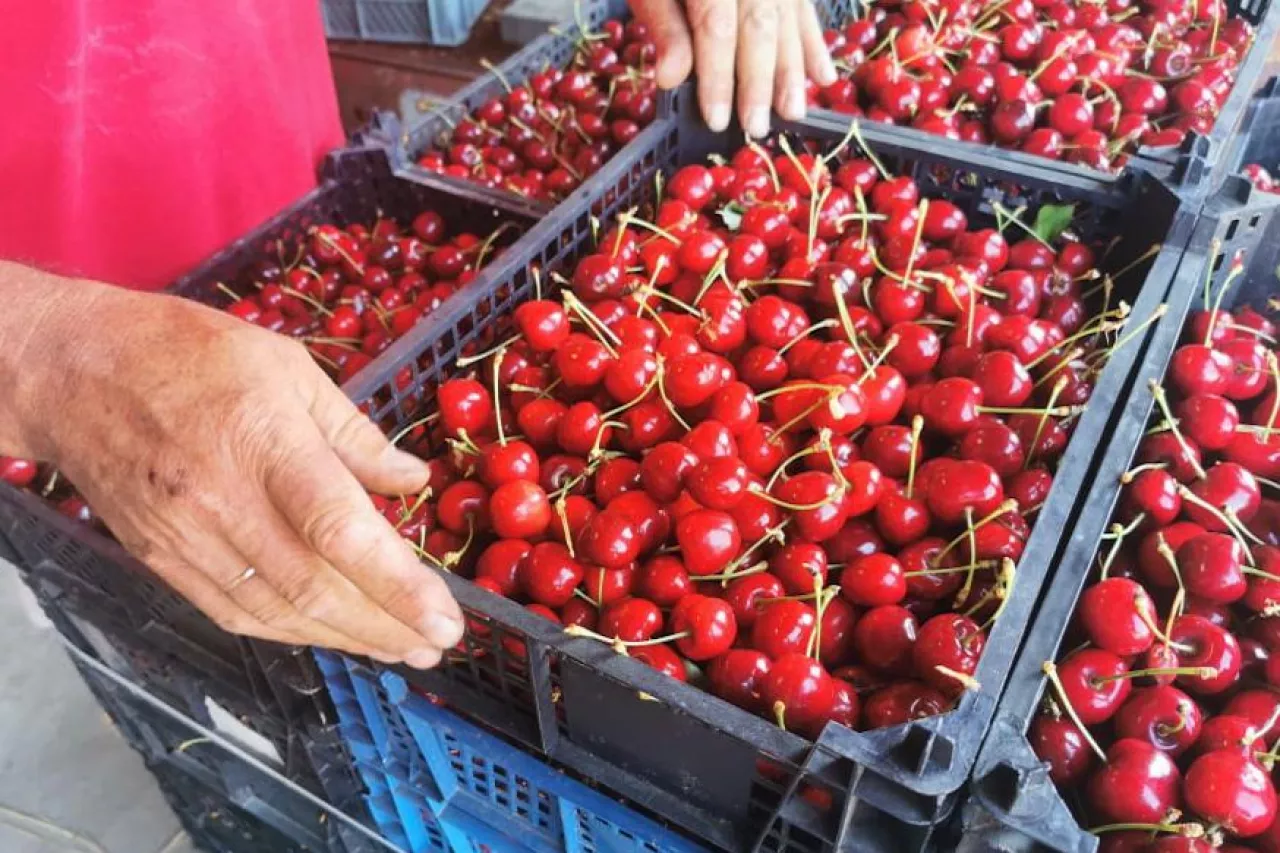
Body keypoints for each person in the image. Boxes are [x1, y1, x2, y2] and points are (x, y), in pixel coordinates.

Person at [0, 0, 832, 669]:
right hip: (45, 324)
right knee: (178, 616)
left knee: (314, 562)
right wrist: (49, 351)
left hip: (267, 171)